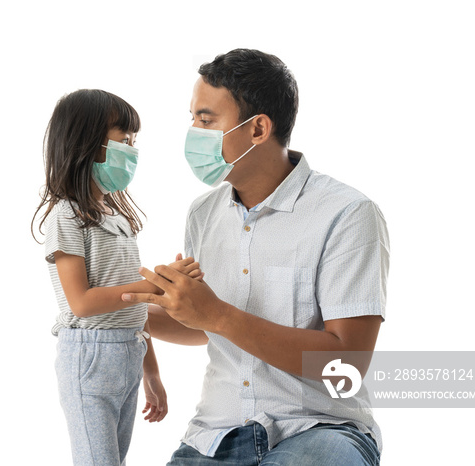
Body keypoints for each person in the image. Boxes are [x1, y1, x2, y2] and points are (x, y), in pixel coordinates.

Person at [121, 49, 389, 465]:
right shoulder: (202, 213)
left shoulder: (347, 214)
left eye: (206, 120)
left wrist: (218, 315)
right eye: (192, 118)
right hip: (215, 435)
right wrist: (125, 312)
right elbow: (202, 327)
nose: (193, 132)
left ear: (258, 128)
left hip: (320, 428)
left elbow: (346, 360)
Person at [32, 89, 202, 466]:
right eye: (123, 139)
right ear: (87, 141)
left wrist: (152, 374)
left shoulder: (118, 218)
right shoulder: (67, 216)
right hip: (89, 356)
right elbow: (83, 303)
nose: (131, 150)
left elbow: (135, 309)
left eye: (134, 141)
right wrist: (157, 283)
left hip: (129, 350)